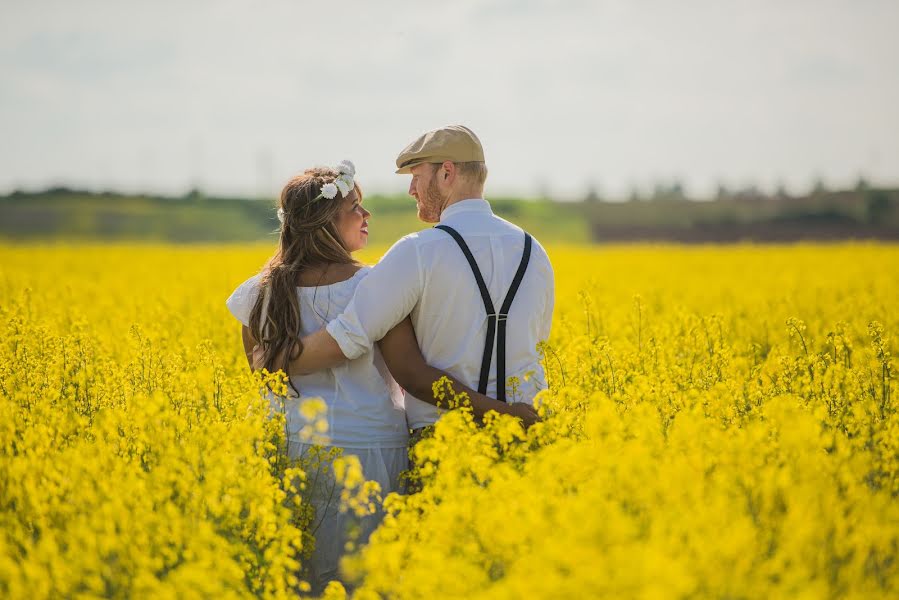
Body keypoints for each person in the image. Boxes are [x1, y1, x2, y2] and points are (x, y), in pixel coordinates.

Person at [227, 161, 533, 594]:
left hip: (293, 448)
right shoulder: (373, 286)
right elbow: (410, 373)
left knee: (299, 580)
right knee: (370, 580)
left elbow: (264, 376)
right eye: (355, 207)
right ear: (324, 224)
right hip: (370, 452)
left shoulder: (259, 292)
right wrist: (503, 413)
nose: (366, 217)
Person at [277, 125, 554, 449]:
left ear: (447, 173)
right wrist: (511, 417)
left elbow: (349, 335)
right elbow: (537, 344)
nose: (411, 189)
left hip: (445, 441)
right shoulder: (534, 251)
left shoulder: (418, 251)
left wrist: (278, 360)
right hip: (529, 438)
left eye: (416, 176)